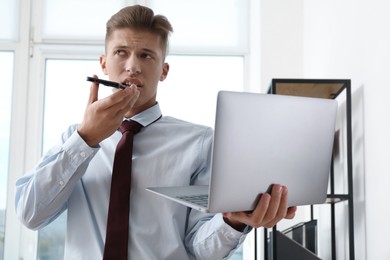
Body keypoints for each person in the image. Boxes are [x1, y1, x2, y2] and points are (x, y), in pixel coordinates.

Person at [15, 5, 296, 259]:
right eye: (121, 52)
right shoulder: (74, 139)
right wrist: (85, 140)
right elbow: (31, 215)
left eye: (146, 55)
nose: (133, 66)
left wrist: (233, 221)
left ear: (164, 70)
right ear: (103, 63)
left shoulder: (200, 143)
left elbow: (198, 249)